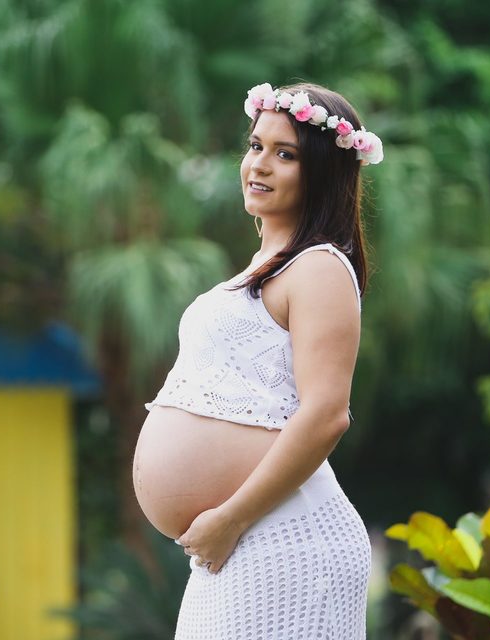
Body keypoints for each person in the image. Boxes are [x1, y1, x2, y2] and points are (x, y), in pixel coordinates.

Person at [134, 80, 384, 639]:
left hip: (283, 537)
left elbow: (326, 414)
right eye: (255, 147)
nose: (260, 165)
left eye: (285, 154)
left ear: (321, 171)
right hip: (239, 541)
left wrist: (231, 517)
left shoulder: (318, 267)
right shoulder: (264, 266)